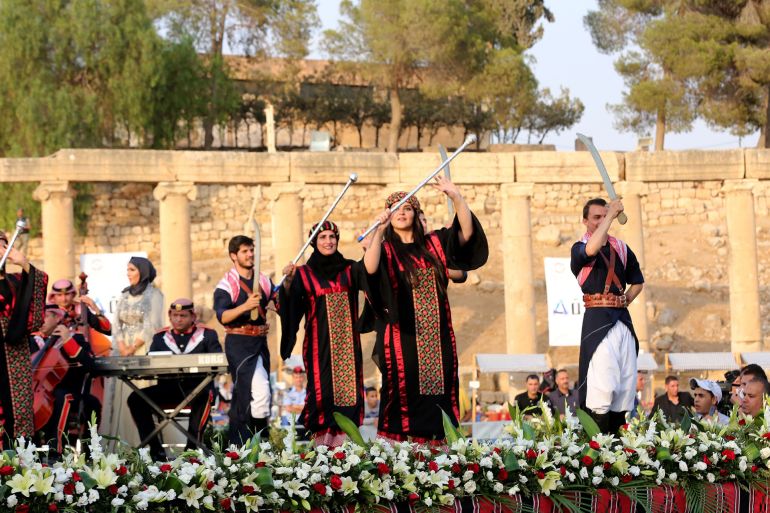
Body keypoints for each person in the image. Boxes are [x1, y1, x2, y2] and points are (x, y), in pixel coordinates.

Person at [363, 177, 488, 442]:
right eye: (395, 208)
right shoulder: (385, 249)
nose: (401, 212)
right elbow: (370, 269)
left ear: (415, 213)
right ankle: (400, 460)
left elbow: (466, 234)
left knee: (438, 398)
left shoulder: (436, 243)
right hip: (401, 340)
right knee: (403, 397)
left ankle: (436, 460)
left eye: (406, 207)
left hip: (437, 339)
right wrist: (378, 229)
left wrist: (456, 196)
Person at [279, 220, 366, 446]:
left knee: (349, 398)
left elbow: (374, 282)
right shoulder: (303, 274)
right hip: (320, 349)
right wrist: (288, 285)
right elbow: (291, 308)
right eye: (322, 237)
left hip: (347, 350)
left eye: (331, 236)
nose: (328, 241)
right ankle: (323, 451)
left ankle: (348, 450)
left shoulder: (351, 269)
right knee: (323, 396)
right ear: (314, 242)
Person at [571, 198, 644, 434]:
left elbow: (637, 282)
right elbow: (591, 250)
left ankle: (618, 444)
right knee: (602, 386)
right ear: (585, 221)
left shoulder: (621, 248)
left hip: (622, 319)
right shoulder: (579, 247)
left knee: (625, 388)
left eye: (604, 216)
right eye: (596, 217)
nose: (603, 220)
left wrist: (625, 300)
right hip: (598, 320)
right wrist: (611, 215)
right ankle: (598, 448)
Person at [127, 298, 222, 461]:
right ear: (169, 316)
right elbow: (150, 364)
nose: (178, 319)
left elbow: (220, 362)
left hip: (198, 389)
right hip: (168, 390)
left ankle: (191, 452)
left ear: (193, 316)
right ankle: (156, 451)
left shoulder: (207, 335)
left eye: (183, 315)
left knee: (204, 396)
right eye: (175, 315)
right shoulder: (160, 337)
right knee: (136, 399)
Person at [214, 235, 276, 446]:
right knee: (254, 393)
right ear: (234, 256)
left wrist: (289, 282)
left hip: (260, 342)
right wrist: (245, 306)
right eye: (244, 251)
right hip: (239, 343)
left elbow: (278, 302)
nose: (250, 254)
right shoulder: (227, 284)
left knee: (259, 396)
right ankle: (249, 444)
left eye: (252, 250)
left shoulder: (264, 280)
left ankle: (255, 444)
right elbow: (222, 316)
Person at [103, 256, 164, 446]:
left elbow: (153, 325)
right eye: (127, 270)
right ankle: (120, 445)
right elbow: (116, 324)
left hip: (142, 350)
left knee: (141, 396)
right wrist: (121, 345)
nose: (128, 274)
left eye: (132, 270)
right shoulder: (124, 295)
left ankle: (146, 445)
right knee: (119, 397)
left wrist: (132, 347)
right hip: (122, 352)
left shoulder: (155, 295)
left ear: (143, 271)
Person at [30, 305, 99, 456]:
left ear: (57, 318)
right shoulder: (30, 341)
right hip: (37, 393)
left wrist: (67, 340)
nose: (40, 319)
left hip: (69, 391)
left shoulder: (75, 338)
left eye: (46, 315)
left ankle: (56, 451)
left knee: (62, 396)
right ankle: (27, 452)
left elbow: (91, 366)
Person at [0, 231, 47, 448]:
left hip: (15, 353)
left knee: (18, 412)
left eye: (3, 246)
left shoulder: (16, 281)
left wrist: (24, 263)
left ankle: (18, 468)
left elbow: (34, 316)